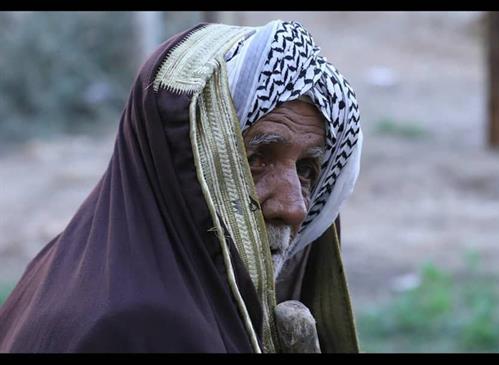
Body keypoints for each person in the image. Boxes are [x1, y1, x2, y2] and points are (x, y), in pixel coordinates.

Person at [0, 19, 362, 353]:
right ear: (183, 161)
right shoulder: (151, 328)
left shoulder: (75, 261)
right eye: (255, 159)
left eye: (306, 170)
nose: (293, 207)